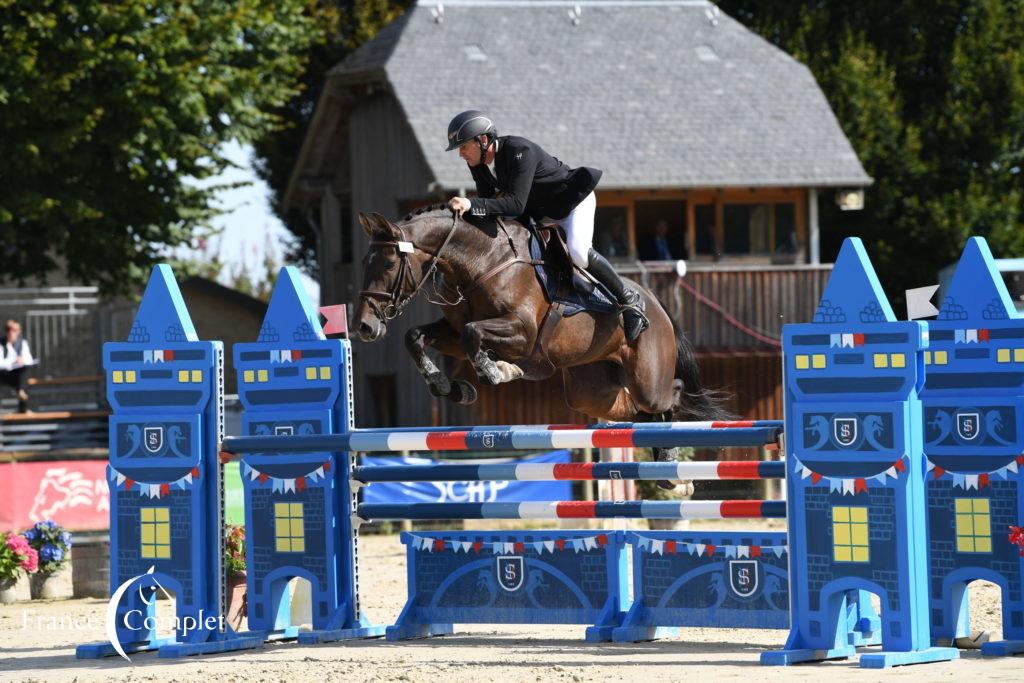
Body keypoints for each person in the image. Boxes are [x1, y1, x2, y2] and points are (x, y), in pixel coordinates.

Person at [444, 110, 648, 341]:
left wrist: (470, 203)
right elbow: (491, 205)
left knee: (579, 253)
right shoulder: (478, 164)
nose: (461, 154)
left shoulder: (519, 151)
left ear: (482, 141)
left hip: (572, 204)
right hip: (542, 212)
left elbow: (515, 205)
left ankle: (630, 300)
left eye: (463, 147)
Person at [0, 319, 34, 413]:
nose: (11, 332)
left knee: (26, 370)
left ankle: (21, 394)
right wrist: (13, 361)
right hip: (4, 375)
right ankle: (21, 392)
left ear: (18, 331)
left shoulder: (22, 343)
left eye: (14, 330)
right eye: (9, 329)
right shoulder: (1, 344)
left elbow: (29, 360)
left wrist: (22, 360)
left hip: (18, 376)